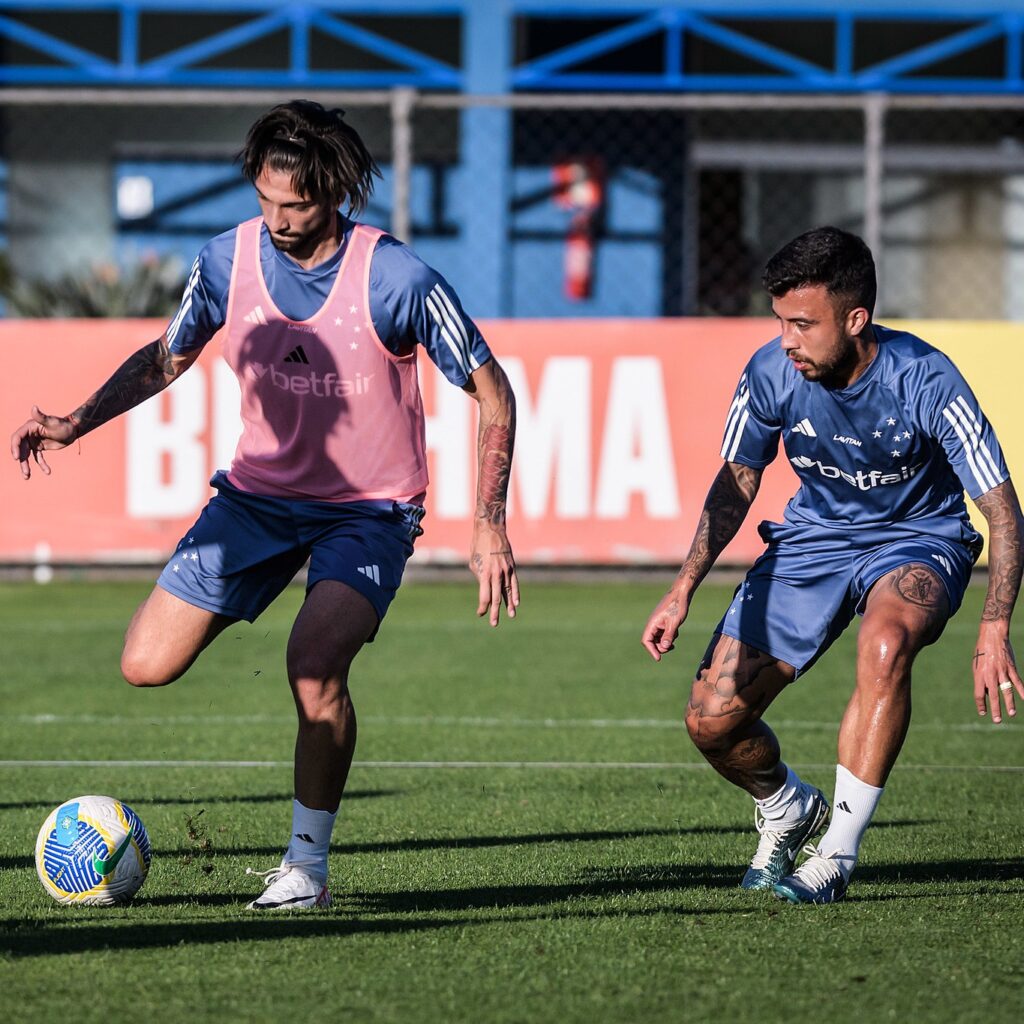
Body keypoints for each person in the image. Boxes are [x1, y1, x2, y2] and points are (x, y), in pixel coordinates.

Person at [11, 99, 519, 911]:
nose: (279, 221)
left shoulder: (396, 277)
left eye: (298, 206)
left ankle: (305, 869)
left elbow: (494, 391)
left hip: (368, 511)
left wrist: (488, 522)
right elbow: (166, 357)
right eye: (266, 201)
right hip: (254, 500)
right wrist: (77, 421)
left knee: (314, 665)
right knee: (144, 665)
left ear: (337, 195)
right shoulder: (224, 261)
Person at [641, 226, 1023, 904]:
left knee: (885, 642)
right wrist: (681, 589)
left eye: (802, 324)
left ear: (855, 319)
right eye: (781, 322)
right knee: (712, 720)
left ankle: (835, 857)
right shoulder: (770, 372)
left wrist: (995, 624)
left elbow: (1001, 508)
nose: (787, 340)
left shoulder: (924, 378)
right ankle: (788, 806)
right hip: (813, 541)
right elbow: (737, 481)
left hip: (918, 539)